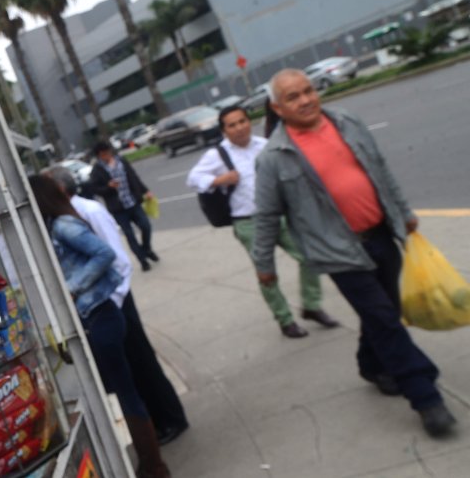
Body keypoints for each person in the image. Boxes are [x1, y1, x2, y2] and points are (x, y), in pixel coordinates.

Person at [252, 68, 456, 437]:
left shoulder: (348, 122)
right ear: (277, 108)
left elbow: (381, 170)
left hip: (381, 234)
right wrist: (263, 265)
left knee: (385, 312)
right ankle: (425, 396)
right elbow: (266, 216)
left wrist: (403, 213)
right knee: (385, 320)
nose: (305, 101)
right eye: (293, 97)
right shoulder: (273, 158)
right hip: (339, 253)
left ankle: (370, 363)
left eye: (308, 91)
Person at [29, 173, 170, 478]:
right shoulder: (57, 225)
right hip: (99, 316)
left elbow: (105, 254)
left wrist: (72, 287)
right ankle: (151, 464)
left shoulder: (64, 225)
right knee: (122, 390)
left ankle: (154, 466)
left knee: (124, 391)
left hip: (101, 317)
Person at [44, 166, 189, 446]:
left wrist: (113, 300)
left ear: (60, 189)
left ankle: (171, 419)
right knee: (129, 370)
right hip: (102, 303)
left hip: (115, 299)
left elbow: (116, 258)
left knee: (142, 362)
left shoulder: (87, 211)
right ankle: (155, 424)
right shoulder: (61, 216)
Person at [187, 105, 339, 338]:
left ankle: (311, 305)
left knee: (309, 256)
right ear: (224, 130)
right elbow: (193, 178)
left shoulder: (264, 145)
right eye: (232, 125)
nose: (239, 128)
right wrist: (220, 179)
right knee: (267, 274)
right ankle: (285, 319)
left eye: (242, 122)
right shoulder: (217, 155)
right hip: (248, 223)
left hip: (280, 216)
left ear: (249, 122)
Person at [88, 141, 159, 270]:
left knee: (146, 226)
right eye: (105, 153)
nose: (108, 155)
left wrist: (145, 190)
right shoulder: (97, 170)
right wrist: (108, 187)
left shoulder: (121, 161)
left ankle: (146, 249)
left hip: (133, 201)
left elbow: (134, 177)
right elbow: (94, 189)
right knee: (130, 236)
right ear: (100, 155)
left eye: (109, 152)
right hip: (118, 209)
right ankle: (142, 260)